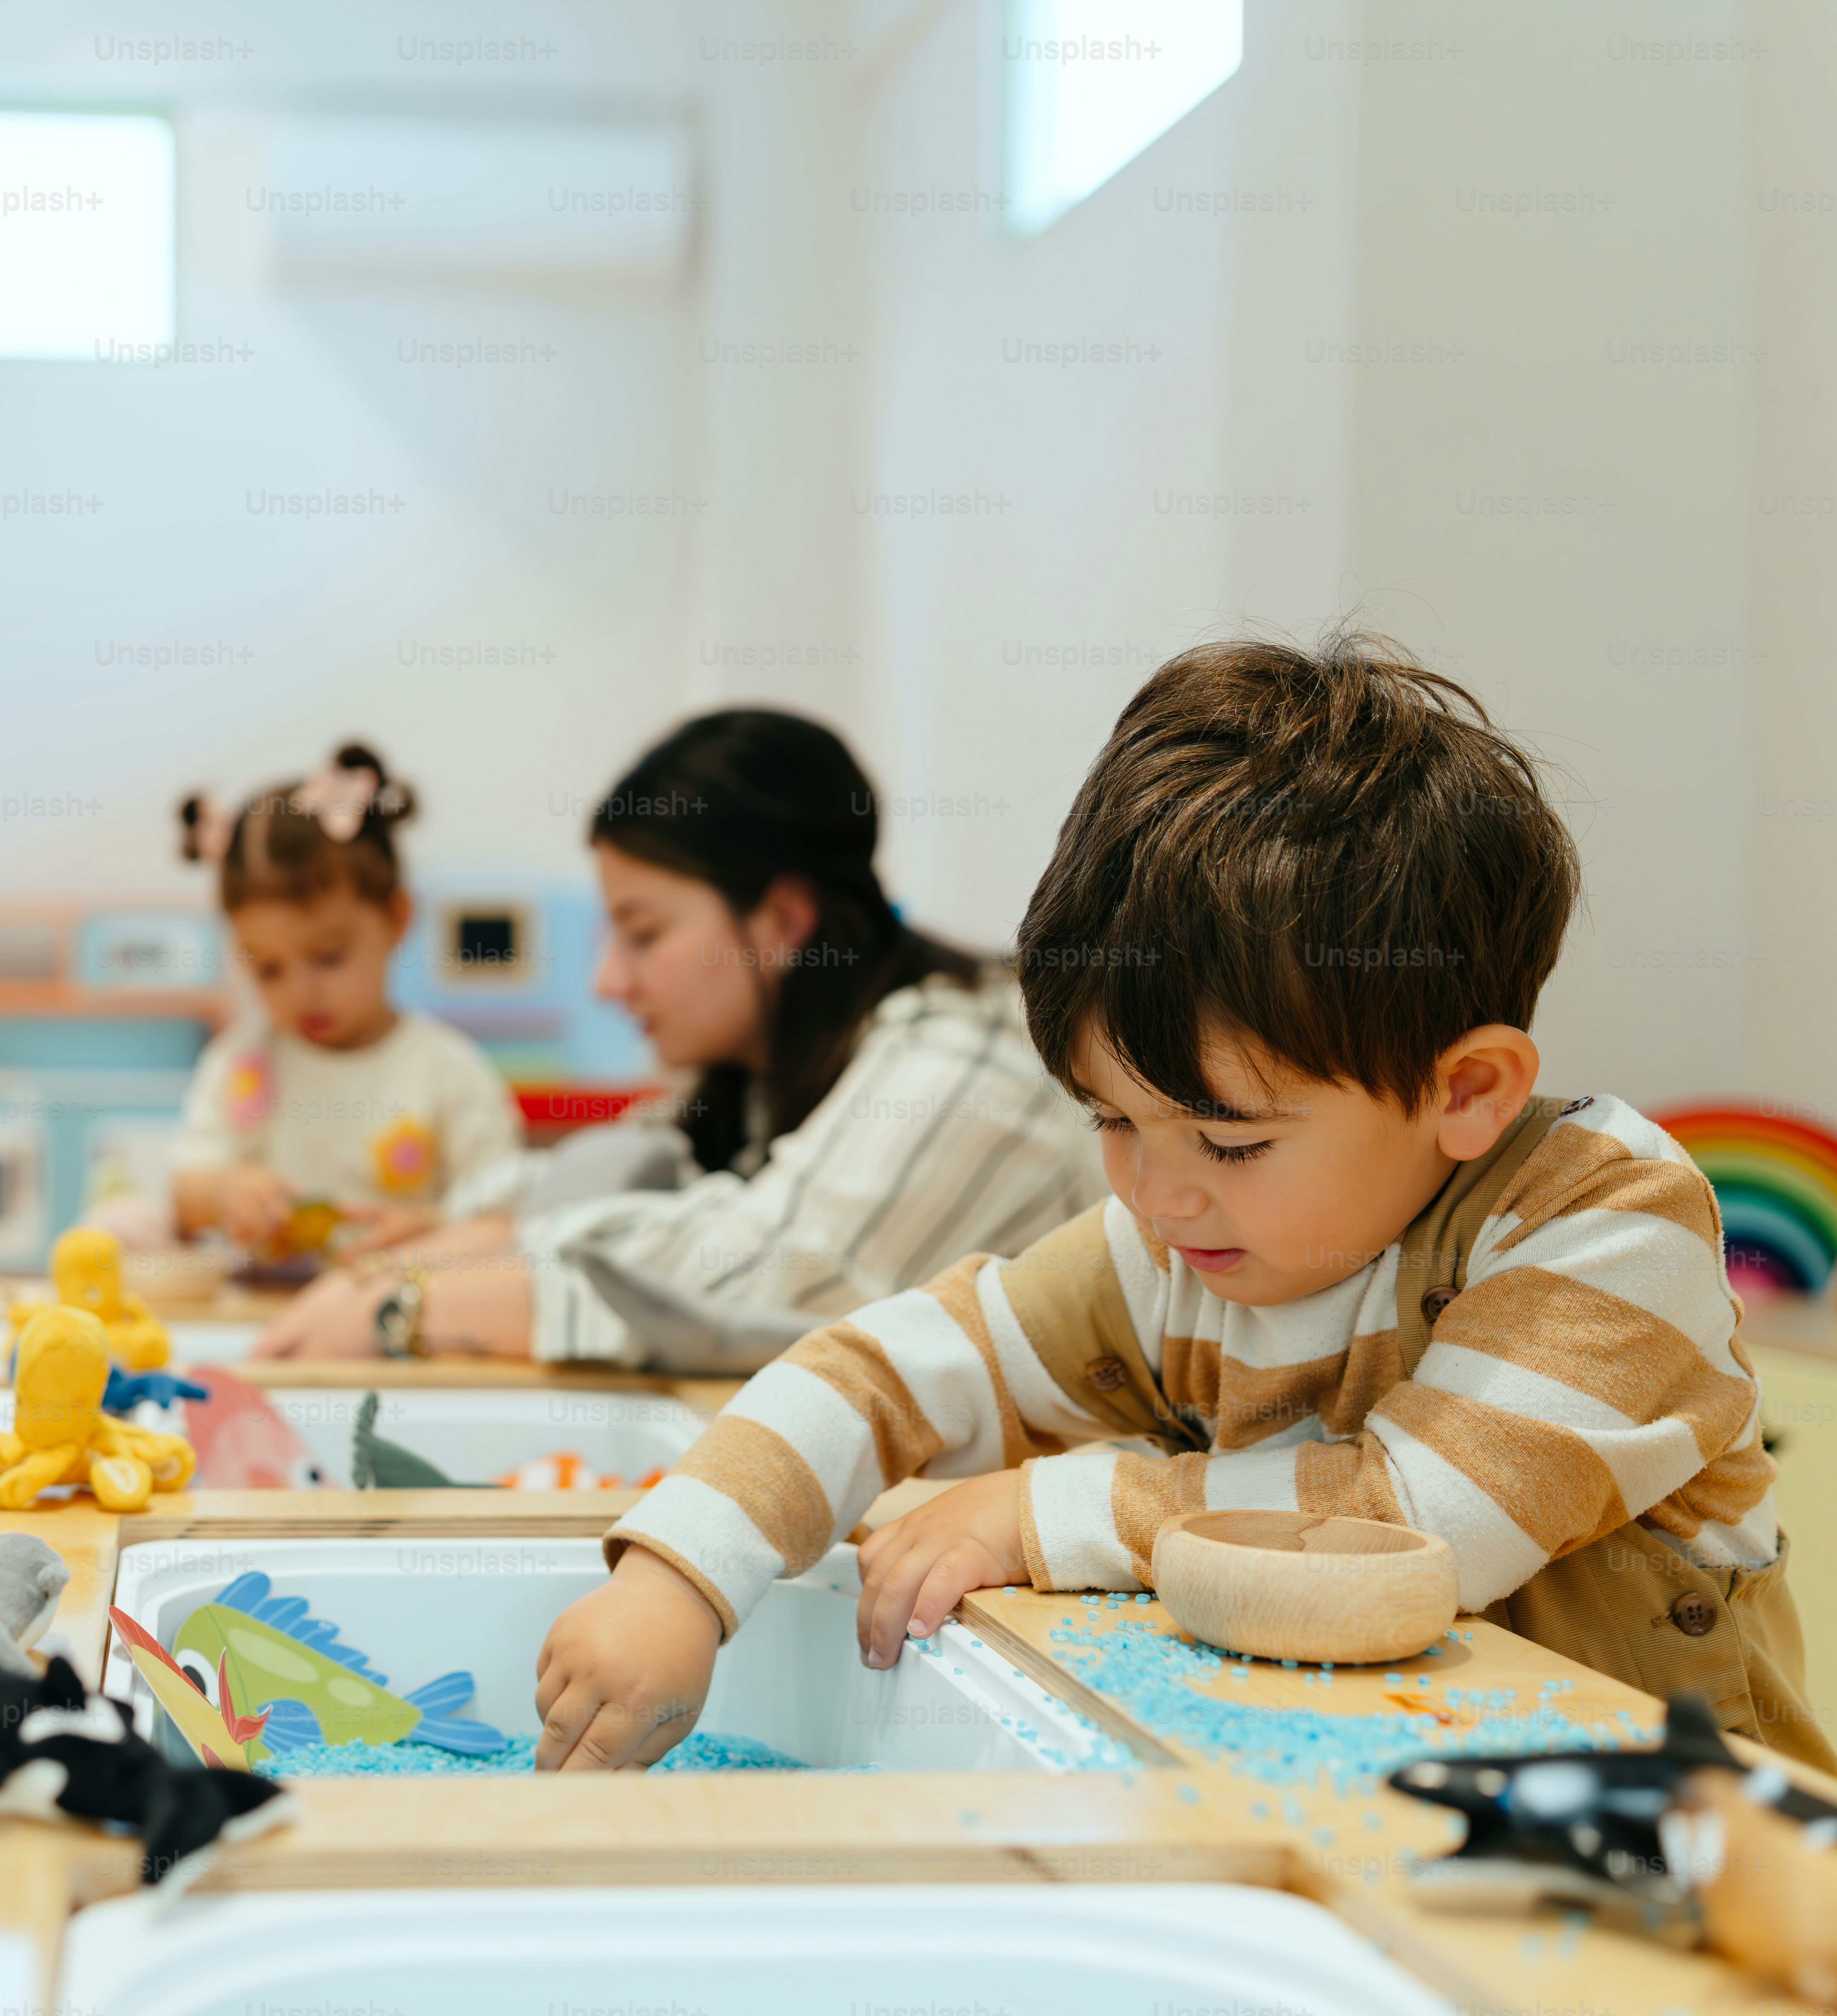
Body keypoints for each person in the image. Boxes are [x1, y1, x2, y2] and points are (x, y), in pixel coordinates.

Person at [534, 633, 1827, 1773]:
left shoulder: (1606, 1225)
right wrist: (682, 1573)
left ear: (1466, 1088)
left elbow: (1408, 1532)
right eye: (1110, 1119)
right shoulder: (1179, 1235)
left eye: (1229, 1135)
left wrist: (1047, 1504)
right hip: (1363, 1800)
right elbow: (880, 1364)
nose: (1152, 1189)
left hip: (1689, 1861)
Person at [249, 709, 1102, 1362]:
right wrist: (448, 1235)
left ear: (781, 919)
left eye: (643, 932)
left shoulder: (958, 1063)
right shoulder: (766, 1070)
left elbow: (768, 1276)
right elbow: (608, 1175)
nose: (608, 980)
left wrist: (412, 1303)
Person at [169, 744, 524, 1258]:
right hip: (267, 1318)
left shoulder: (446, 1072)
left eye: (329, 957)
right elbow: (185, 1189)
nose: (301, 991)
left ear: (397, 919)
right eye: (268, 969)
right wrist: (222, 1192)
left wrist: (433, 1226)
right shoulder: (243, 1063)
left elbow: (506, 1212)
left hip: (403, 1316)